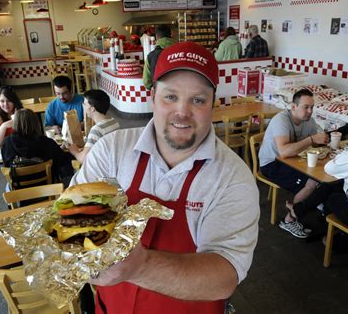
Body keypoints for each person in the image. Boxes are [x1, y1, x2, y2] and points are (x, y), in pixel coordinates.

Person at [71, 41, 260, 314]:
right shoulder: (111, 150)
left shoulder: (232, 178)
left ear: (212, 104)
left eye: (197, 100)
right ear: (152, 97)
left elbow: (224, 275)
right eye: (170, 97)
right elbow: (73, 220)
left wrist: (140, 266)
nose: (182, 112)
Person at [259, 89, 328, 238]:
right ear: (293, 107)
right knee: (311, 183)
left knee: (322, 176)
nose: (310, 111)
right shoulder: (281, 120)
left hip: (293, 160)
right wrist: (311, 140)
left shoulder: (309, 121)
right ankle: (288, 220)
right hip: (271, 163)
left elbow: (314, 142)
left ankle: (311, 205)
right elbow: (283, 152)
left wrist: (323, 140)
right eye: (306, 107)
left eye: (312, 107)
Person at [1, 108, 74, 185]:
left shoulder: (7, 143)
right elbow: (64, 160)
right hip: (47, 187)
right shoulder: (47, 142)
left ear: (15, 123)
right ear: (36, 123)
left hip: (18, 188)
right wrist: (70, 150)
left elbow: (6, 166)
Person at [68, 89, 120, 164]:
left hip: (103, 167)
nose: (82, 105)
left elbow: (83, 159)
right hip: (112, 161)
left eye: (84, 103)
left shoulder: (97, 130)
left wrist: (74, 151)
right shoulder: (114, 121)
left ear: (92, 109)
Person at [142, 24, 177, 90]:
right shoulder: (182, 51)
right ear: (171, 35)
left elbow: (146, 82)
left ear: (157, 37)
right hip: (180, 92)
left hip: (160, 94)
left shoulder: (151, 56)